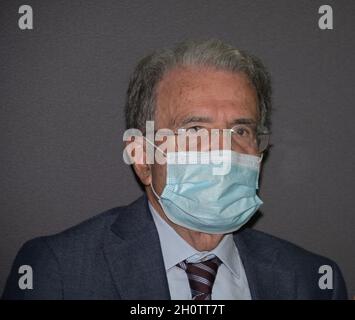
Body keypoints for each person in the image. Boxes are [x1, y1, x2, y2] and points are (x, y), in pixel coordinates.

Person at [2, 39, 347, 299]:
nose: (223, 151)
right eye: (195, 130)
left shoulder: (311, 280)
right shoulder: (59, 271)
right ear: (141, 157)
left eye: (240, 131)